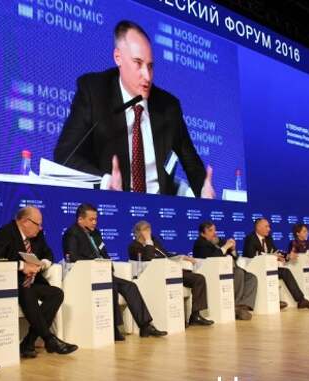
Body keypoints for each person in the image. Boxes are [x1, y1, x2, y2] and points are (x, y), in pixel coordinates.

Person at [54, 20, 215, 198]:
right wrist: (105, 181)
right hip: (110, 203)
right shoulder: (94, 91)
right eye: (138, 63)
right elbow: (65, 155)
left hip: (159, 207)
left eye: (150, 66)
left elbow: (191, 163)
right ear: (118, 57)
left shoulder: (169, 107)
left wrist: (203, 188)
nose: (147, 76)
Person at [62, 203, 167, 341]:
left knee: (131, 286)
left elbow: (104, 252)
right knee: (112, 286)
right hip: (86, 275)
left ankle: (145, 325)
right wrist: (95, 264)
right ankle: (114, 327)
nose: (94, 222)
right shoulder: (72, 234)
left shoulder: (96, 233)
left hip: (103, 274)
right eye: (91, 219)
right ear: (80, 219)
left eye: (96, 219)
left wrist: (108, 264)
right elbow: (73, 257)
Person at [0, 206, 78, 358]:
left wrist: (42, 264)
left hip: (33, 282)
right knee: (27, 291)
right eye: (38, 224)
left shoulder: (37, 235)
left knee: (56, 294)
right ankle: (49, 340)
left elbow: (48, 253)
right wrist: (23, 266)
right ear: (25, 222)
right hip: (12, 284)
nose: (40, 228)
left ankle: (28, 342)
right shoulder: (5, 233)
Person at [128, 220, 213, 326]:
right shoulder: (134, 246)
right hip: (154, 275)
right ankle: (177, 319)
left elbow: (166, 254)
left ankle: (195, 315)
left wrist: (182, 257)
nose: (148, 231)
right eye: (145, 229)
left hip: (169, 271)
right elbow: (149, 258)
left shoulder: (154, 241)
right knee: (174, 281)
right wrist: (148, 240)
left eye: (149, 229)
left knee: (198, 278)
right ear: (138, 232)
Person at [243, 218, 309, 309]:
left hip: (269, 268)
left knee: (285, 272)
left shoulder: (268, 238)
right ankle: (276, 301)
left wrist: (287, 256)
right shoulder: (250, 238)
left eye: (269, 227)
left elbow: (276, 251)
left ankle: (301, 300)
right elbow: (251, 255)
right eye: (266, 226)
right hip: (256, 269)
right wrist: (271, 256)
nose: (269, 229)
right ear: (258, 227)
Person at [192, 221, 257, 320]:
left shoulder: (219, 242)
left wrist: (233, 249)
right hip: (215, 273)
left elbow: (235, 257)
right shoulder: (200, 243)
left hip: (231, 269)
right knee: (239, 273)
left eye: (214, 230)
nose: (214, 233)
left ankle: (241, 306)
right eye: (210, 231)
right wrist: (225, 247)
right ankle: (235, 306)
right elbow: (212, 258)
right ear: (202, 233)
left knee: (251, 277)